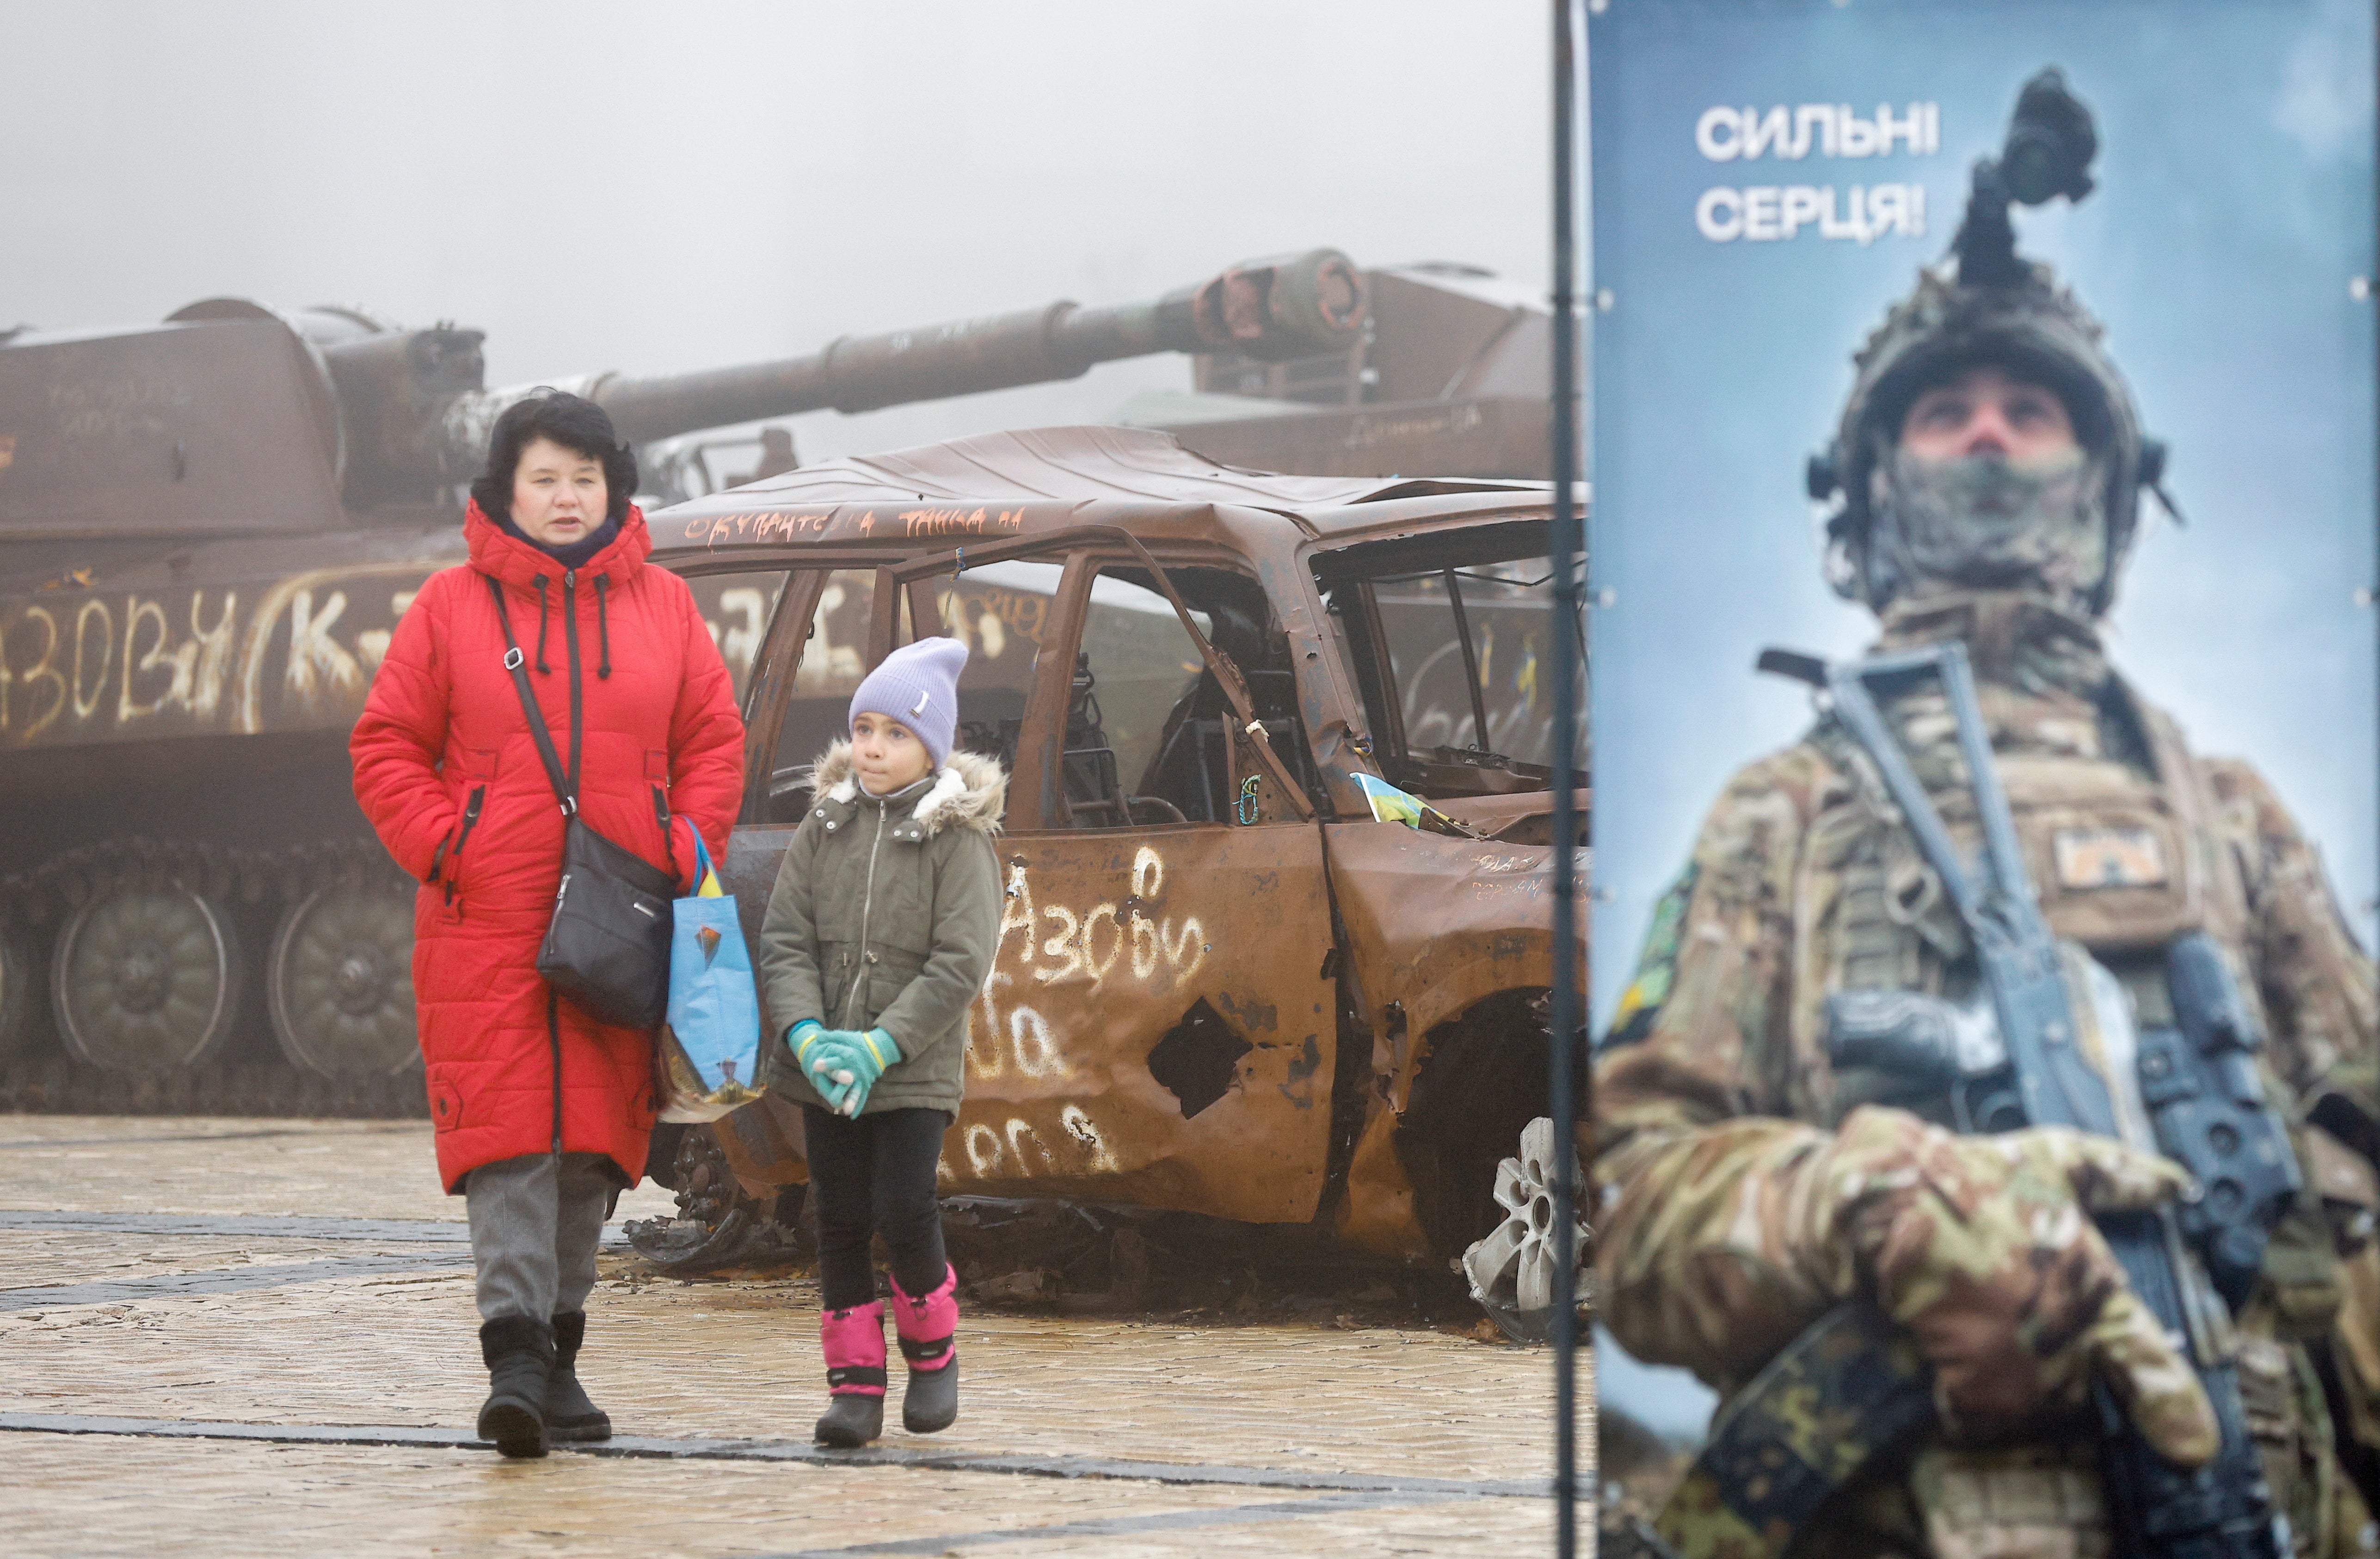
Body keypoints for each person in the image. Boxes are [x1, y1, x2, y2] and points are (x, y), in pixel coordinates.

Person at [1593, 119, 2380, 1558]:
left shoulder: (2236, 818)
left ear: (2100, 477)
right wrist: (1873, 1205)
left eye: (2033, 406)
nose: (1989, 436)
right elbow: (1627, 1206)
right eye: (1943, 407)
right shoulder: (1785, 811)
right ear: (1877, 478)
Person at [351, 390, 745, 1458]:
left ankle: (560, 1363)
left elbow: (714, 739)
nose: (568, 498)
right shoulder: (449, 607)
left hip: (620, 915)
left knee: (594, 1156)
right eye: (545, 478)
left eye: (585, 478)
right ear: (506, 491)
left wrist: (682, 843)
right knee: (512, 1145)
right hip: (490, 923)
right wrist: (452, 846)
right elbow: (386, 746)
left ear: (613, 486)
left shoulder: (664, 605)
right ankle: (515, 1361)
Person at [756, 636, 1004, 1447]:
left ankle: (933, 1355)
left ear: (930, 746)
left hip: (911, 1068)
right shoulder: (825, 825)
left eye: (895, 733)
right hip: (825, 1069)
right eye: (864, 727)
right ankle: (854, 1385)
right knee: (836, 1217)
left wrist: (881, 1047)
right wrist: (806, 1034)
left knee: (904, 1206)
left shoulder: (957, 838)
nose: (872, 747)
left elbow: (960, 961)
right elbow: (786, 939)